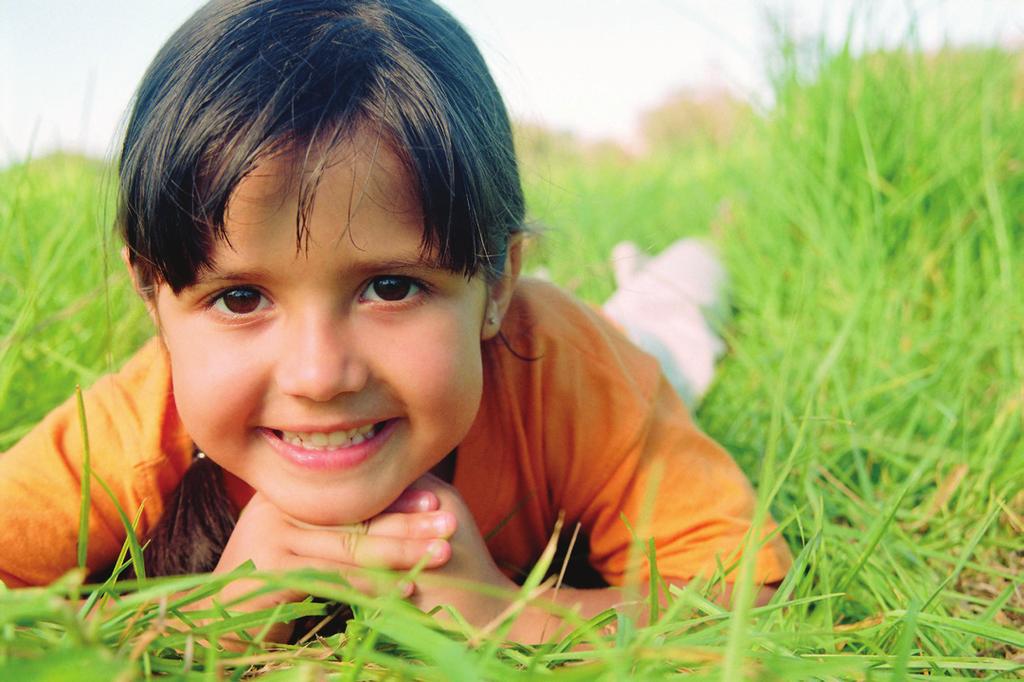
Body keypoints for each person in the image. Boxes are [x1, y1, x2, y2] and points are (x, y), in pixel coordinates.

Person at [0, 0, 790, 642]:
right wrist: (197, 620)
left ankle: (682, 263)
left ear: (494, 281)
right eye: (241, 298)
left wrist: (508, 613)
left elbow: (744, 590)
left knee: (677, 306)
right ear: (155, 299)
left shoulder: (579, 374)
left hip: (592, 347)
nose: (318, 375)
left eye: (389, 287)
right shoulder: (136, 427)